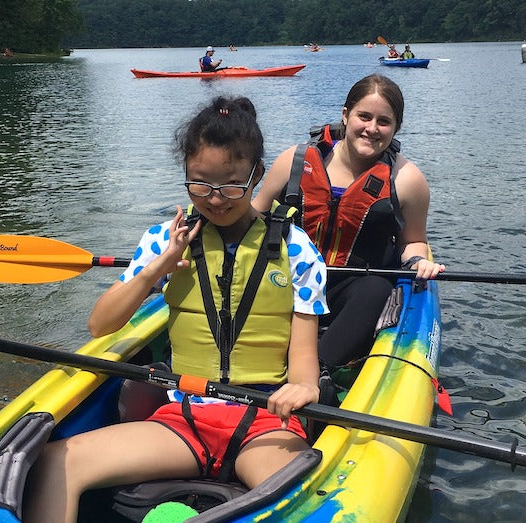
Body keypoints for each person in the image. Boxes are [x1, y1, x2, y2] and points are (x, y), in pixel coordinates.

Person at [23, 96, 328, 523]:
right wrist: (156, 269)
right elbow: (100, 325)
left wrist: (304, 388)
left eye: (232, 185)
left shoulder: (298, 250)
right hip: (185, 417)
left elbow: (302, 355)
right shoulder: (161, 241)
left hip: (264, 424)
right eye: (200, 184)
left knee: (300, 502)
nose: (215, 199)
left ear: (257, 175)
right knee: (57, 460)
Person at [253, 74, 444, 370]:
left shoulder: (408, 181)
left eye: (384, 121)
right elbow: (254, 217)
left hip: (352, 295)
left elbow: (413, 241)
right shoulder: (294, 162)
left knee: (377, 289)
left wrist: (419, 260)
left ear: (396, 128)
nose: (371, 129)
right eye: (363, 117)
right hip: (289, 283)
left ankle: (316, 371)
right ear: (345, 115)